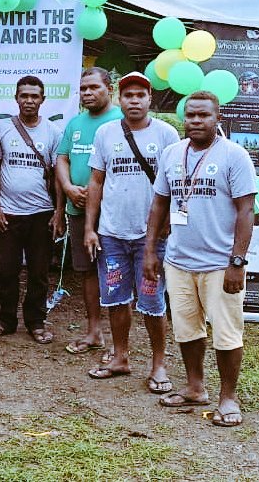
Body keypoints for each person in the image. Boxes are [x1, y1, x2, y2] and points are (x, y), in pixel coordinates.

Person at [144, 90, 256, 427]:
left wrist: (236, 262)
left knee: (226, 333)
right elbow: (160, 204)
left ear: (216, 117)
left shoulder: (234, 156)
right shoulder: (172, 153)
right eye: (190, 115)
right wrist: (150, 250)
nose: (195, 121)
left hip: (220, 264)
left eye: (203, 115)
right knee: (186, 328)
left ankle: (228, 397)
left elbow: (246, 210)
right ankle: (195, 388)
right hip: (179, 261)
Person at [82, 71, 180, 392]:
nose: (134, 101)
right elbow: (96, 182)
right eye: (128, 96)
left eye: (140, 95)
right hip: (111, 234)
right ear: (118, 99)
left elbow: (177, 183)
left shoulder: (166, 135)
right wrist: (90, 228)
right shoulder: (106, 134)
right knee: (115, 299)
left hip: (150, 237)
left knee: (152, 301)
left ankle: (159, 365)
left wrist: (170, 221)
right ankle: (120, 357)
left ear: (150, 99)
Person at [0, 75, 62, 344]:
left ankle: (36, 322)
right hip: (8, 213)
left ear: (43, 100)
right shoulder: (3, 128)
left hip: (42, 213)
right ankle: (6, 320)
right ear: (16, 98)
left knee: (39, 272)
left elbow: (58, 174)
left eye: (34, 96)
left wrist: (58, 212)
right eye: (24, 96)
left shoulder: (53, 132)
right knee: (6, 270)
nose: (29, 101)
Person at [57, 67, 122, 355]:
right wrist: (70, 188)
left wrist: (100, 194)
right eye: (83, 89)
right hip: (79, 208)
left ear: (110, 89)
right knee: (87, 272)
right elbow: (61, 159)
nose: (87, 93)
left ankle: (119, 339)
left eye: (93, 87)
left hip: (112, 212)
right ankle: (94, 331)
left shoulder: (122, 120)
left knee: (116, 272)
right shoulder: (75, 123)